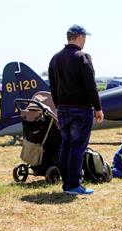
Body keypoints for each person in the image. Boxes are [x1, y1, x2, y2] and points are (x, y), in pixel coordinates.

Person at [48, 24, 104, 195]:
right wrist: (98, 107)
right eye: (84, 38)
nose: (85, 41)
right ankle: (73, 185)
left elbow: (53, 86)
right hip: (81, 110)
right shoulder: (82, 57)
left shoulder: (55, 58)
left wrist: (58, 107)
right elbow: (91, 85)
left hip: (63, 109)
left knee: (66, 146)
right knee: (78, 147)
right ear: (80, 37)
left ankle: (67, 183)